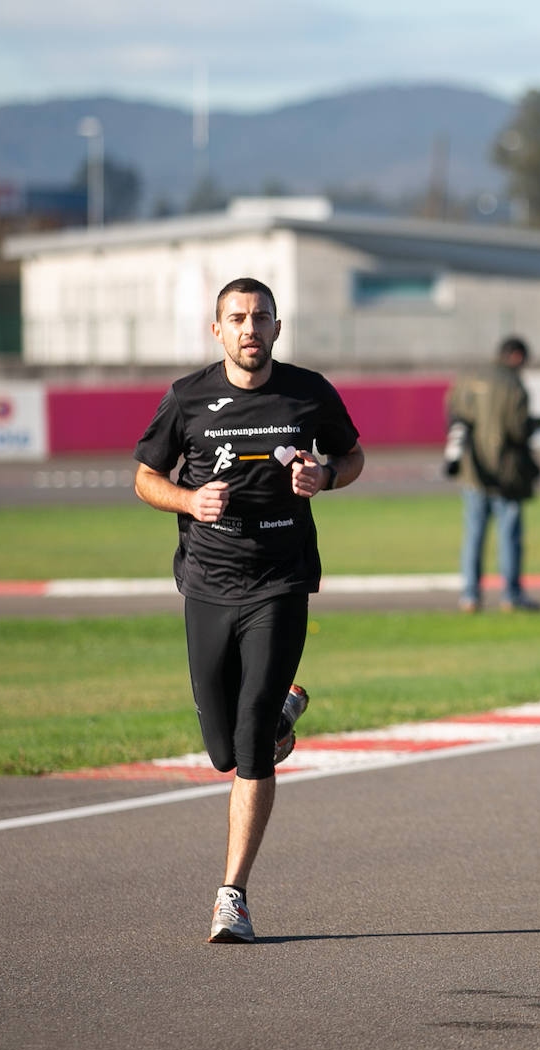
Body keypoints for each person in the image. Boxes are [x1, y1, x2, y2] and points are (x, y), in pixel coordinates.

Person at [133, 276, 364, 944]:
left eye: (261, 317)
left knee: (252, 735)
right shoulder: (188, 398)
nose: (249, 328)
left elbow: (351, 455)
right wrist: (188, 501)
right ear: (217, 330)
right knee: (221, 752)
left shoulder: (308, 391)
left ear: (277, 328)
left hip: (281, 580)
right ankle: (280, 715)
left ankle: (232, 896)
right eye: (237, 318)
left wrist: (325, 477)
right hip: (208, 581)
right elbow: (145, 475)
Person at [445, 336, 540, 612]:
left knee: (474, 534)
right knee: (509, 535)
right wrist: (535, 424)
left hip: (473, 471)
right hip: (507, 472)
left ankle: (470, 596)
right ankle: (511, 596)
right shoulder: (513, 384)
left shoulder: (468, 377)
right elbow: (517, 429)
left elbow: (454, 416)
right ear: (515, 356)